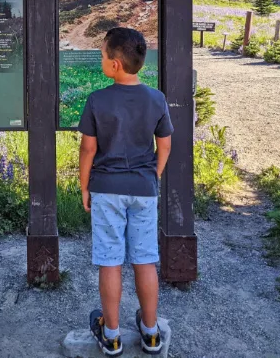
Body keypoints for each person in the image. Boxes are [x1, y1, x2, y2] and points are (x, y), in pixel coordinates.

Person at [79, 27, 173, 356]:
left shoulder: (97, 100)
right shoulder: (156, 99)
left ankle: (113, 335)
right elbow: (165, 145)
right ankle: (150, 333)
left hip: (106, 189)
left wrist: (84, 186)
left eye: (103, 55)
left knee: (110, 262)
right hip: (144, 189)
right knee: (145, 260)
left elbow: (88, 150)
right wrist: (153, 175)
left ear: (115, 65)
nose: (101, 60)